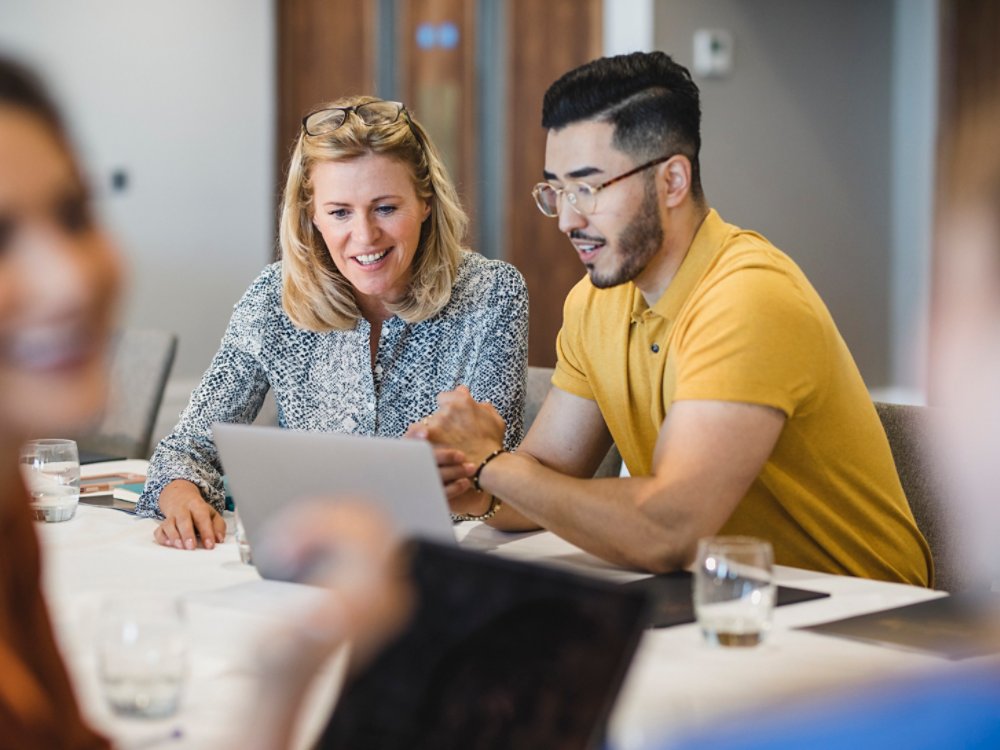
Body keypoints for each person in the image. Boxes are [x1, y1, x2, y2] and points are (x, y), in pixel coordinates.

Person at [0, 56, 409, 749]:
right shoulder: (276, 296)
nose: (68, 279)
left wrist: (285, 676)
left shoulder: (9, 514)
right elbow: (192, 444)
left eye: (75, 214)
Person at [412, 51, 931, 585]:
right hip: (728, 596)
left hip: (867, 617)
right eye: (557, 191)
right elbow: (545, 482)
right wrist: (470, 477)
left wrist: (495, 465)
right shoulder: (595, 302)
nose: (567, 219)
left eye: (587, 189)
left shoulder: (747, 297)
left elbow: (667, 530)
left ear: (673, 181)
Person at [137, 95, 529, 550]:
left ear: (425, 202)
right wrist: (181, 496)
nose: (364, 236)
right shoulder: (273, 297)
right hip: (309, 559)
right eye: (340, 212)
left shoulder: (492, 293)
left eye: (385, 208)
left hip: (447, 562)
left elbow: (500, 476)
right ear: (312, 217)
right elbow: (186, 450)